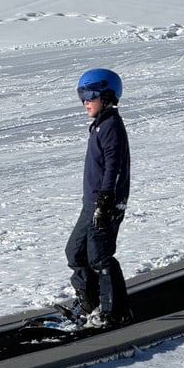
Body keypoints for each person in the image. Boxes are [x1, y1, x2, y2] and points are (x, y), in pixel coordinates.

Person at [64, 68, 132, 329]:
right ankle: (90, 303)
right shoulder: (100, 126)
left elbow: (114, 166)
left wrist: (106, 201)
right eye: (82, 96)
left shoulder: (111, 126)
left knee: (100, 257)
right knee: (75, 253)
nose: (85, 102)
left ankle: (114, 311)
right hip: (91, 203)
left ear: (107, 97)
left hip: (105, 203)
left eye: (90, 96)